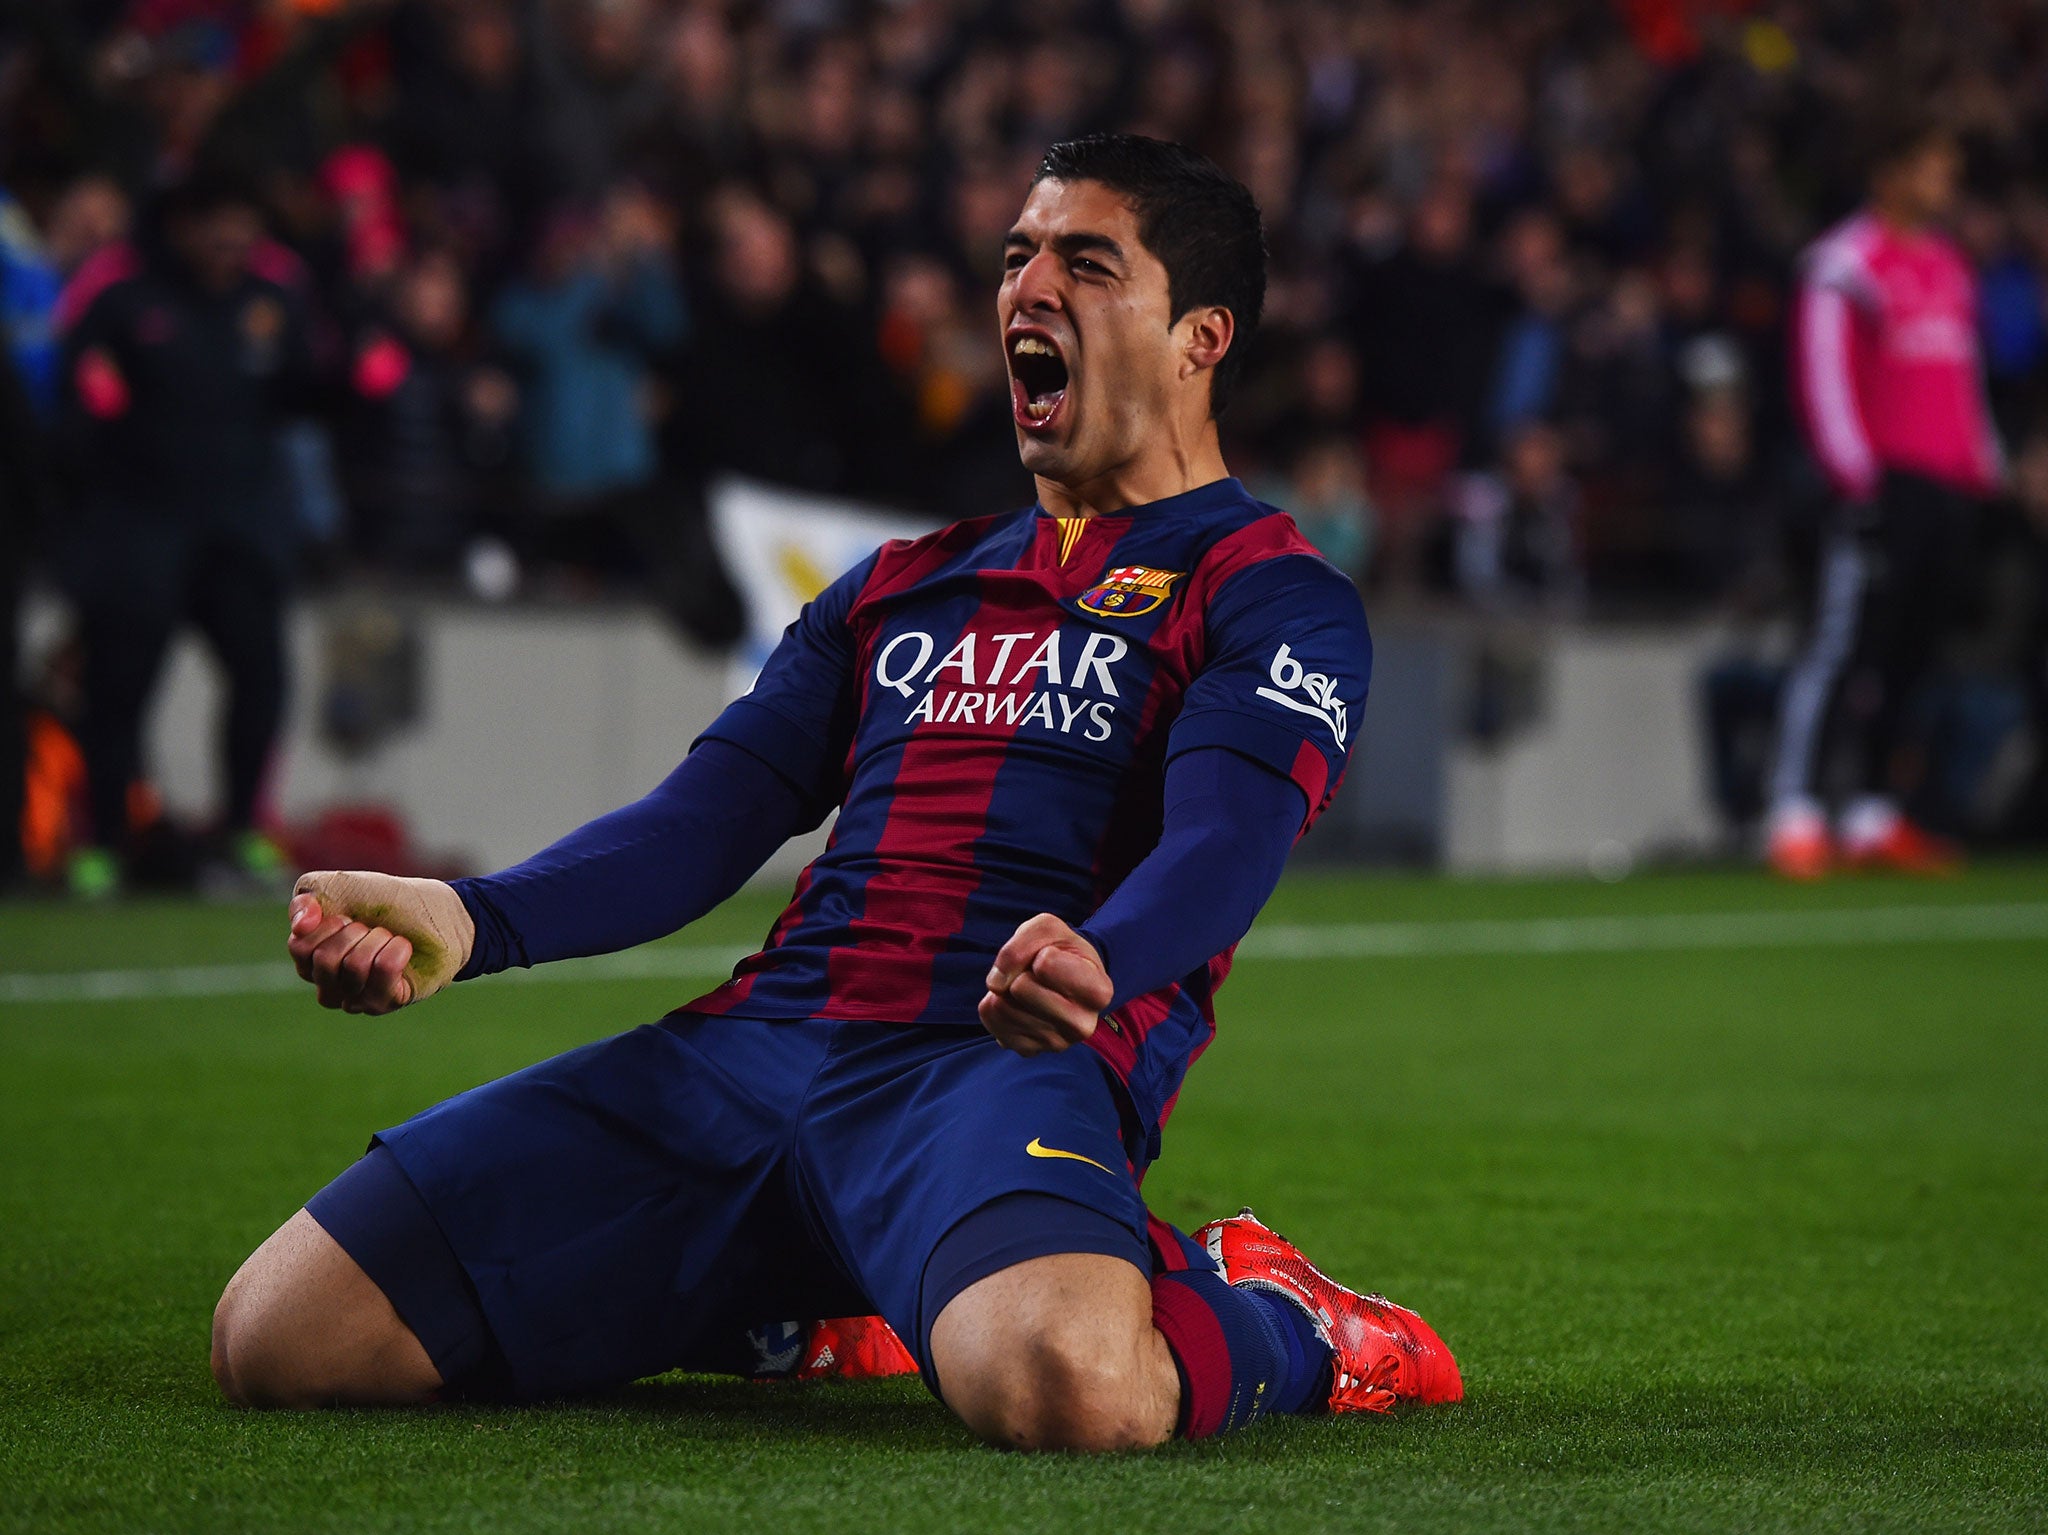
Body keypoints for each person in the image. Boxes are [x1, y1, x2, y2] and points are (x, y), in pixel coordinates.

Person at [209, 136, 1461, 1450]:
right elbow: (704, 824)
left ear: (1202, 336)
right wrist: (473, 919)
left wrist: (1105, 952)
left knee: (1073, 1388)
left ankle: (1286, 1321)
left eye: (1088, 265)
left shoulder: (1271, 591)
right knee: (279, 1338)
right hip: (761, 1051)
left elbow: (1225, 840)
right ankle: (805, 1303)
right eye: (1017, 257)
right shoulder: (896, 584)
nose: (1030, 288)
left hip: (993, 1068)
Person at [54, 176, 318, 897]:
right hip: (141, 529)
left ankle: (241, 829)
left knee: (261, 675)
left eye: (243, 220)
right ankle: (103, 841)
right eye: (216, 220)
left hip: (238, 529)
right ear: (182, 226)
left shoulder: (270, 305)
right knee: (119, 689)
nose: (230, 237)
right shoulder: (124, 301)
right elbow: (74, 410)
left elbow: (306, 395)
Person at [1766, 120, 2006, 880]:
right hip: (1879, 483)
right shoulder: (1844, 264)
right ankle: (1795, 811)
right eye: (1933, 169)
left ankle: (1872, 811)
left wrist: (1985, 468)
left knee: (1912, 652)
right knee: (1840, 645)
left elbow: (1962, 384)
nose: (1945, 186)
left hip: (1945, 485)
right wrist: (1856, 479)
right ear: (1890, 173)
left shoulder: (1948, 267)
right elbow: (1825, 380)